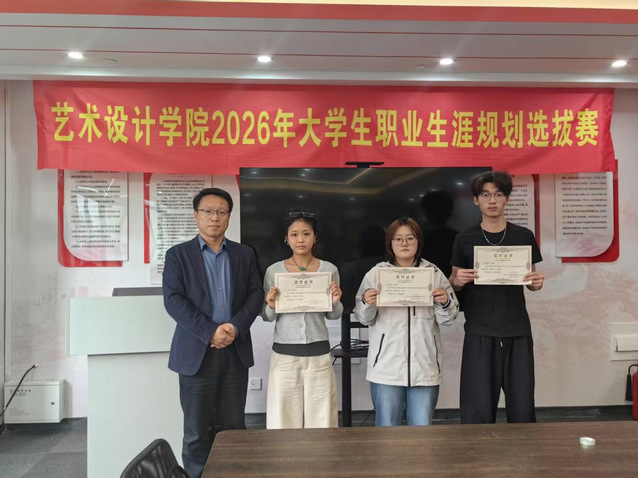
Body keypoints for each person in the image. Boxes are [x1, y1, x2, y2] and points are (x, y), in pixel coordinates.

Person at [163, 187, 264, 478]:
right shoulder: (178, 255)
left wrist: (234, 327)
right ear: (195, 215)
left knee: (234, 427)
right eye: (207, 211)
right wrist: (210, 332)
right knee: (197, 430)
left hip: (235, 350)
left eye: (221, 212)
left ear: (229, 216)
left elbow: (255, 294)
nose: (214, 217)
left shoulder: (244, 254)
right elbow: (173, 300)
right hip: (196, 353)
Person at [449, 171, 544, 424]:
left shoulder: (523, 236)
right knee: (477, 409)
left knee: (522, 407)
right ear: (475, 200)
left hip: (517, 329)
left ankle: (522, 450)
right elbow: (453, 281)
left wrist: (536, 284)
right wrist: (457, 281)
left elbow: (531, 281)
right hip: (479, 330)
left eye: (498, 194)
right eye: (485, 195)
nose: (492, 200)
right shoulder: (464, 238)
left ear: (506, 199)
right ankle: (477, 450)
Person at [354, 217, 459, 427]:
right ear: (390, 243)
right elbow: (363, 317)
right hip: (386, 367)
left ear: (418, 242)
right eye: (398, 239)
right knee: (387, 430)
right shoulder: (377, 274)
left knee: (422, 431)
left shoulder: (433, 273)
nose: (404, 243)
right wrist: (366, 301)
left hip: (425, 365)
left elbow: (448, 318)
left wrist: (444, 302)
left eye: (410, 238)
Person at [262, 208, 343, 429]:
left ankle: (320, 454)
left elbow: (333, 314)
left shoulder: (329, 270)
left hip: (319, 355)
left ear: (315, 237)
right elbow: (266, 316)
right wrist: (272, 305)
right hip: (285, 356)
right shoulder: (274, 271)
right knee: (284, 419)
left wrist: (335, 301)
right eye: (294, 234)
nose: (300, 239)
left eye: (306, 234)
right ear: (286, 239)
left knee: (322, 419)